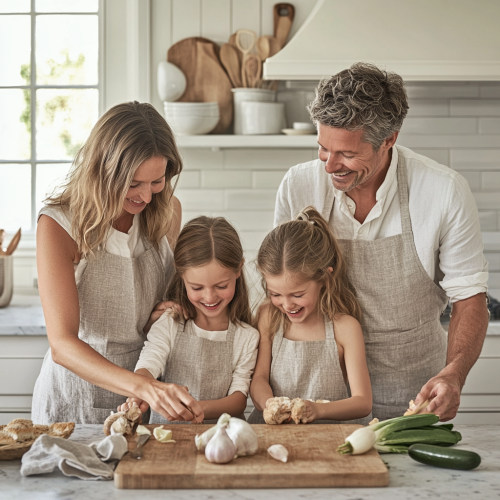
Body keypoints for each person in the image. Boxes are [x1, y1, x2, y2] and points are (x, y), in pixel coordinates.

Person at [275, 63, 489, 421]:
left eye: (346, 153)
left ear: (389, 139)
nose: (329, 166)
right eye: (323, 149)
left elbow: (470, 298)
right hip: (316, 399)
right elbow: (280, 285)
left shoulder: (442, 191)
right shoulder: (299, 186)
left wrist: (454, 374)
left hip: (411, 398)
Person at [32, 101, 203, 424]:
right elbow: (62, 345)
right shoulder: (59, 225)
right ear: (103, 171)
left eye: (157, 181)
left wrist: (163, 314)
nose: (146, 197)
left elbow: (160, 305)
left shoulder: (167, 212)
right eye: (133, 184)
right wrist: (148, 387)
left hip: (140, 399)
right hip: (74, 403)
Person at [119, 216, 260, 423]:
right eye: (197, 288)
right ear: (181, 275)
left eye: (221, 286)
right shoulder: (170, 322)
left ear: (239, 269)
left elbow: (238, 400)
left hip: (223, 439)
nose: (210, 297)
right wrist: (138, 394)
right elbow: (149, 364)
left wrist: (194, 408)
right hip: (166, 439)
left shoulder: (247, 336)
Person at [248, 206, 372, 424]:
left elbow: (362, 402)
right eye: (275, 294)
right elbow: (258, 378)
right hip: (271, 433)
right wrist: (270, 405)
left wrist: (319, 410)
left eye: (297, 294)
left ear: (324, 280)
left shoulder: (345, 328)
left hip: (328, 436)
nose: (286, 305)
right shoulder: (268, 316)